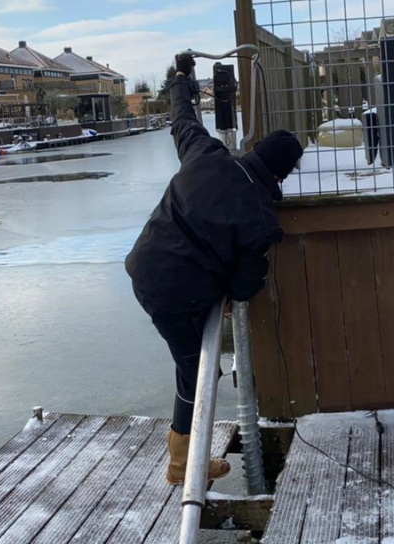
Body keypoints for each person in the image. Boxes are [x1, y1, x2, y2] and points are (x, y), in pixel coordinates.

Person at [125, 52, 303, 485]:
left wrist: (182, 78)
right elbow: (245, 287)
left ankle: (184, 455)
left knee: (193, 361)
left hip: (141, 265)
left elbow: (182, 119)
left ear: (255, 149)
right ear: (281, 177)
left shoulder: (206, 152)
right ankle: (182, 464)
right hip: (177, 295)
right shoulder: (261, 219)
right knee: (195, 371)